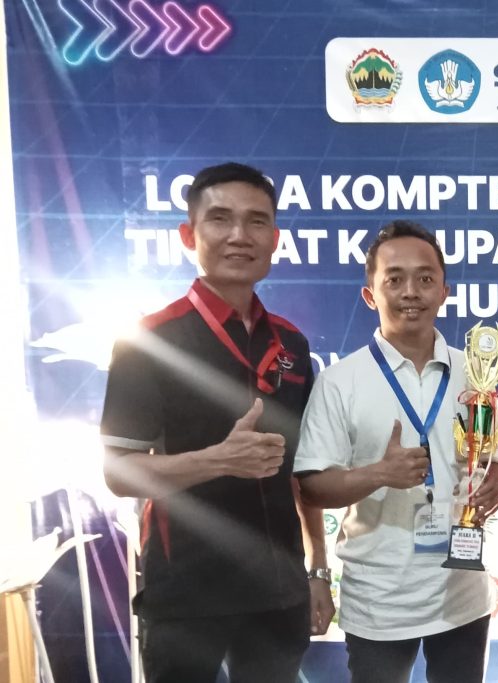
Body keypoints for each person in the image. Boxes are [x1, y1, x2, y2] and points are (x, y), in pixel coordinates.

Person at [100, 162, 334, 683]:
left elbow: (304, 471)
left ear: (274, 239)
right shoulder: (148, 341)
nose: (239, 235)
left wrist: (318, 568)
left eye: (256, 221)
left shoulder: (291, 344)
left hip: (278, 591)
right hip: (186, 590)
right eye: (220, 218)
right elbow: (119, 473)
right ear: (189, 234)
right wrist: (217, 460)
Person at [294, 220, 498, 683]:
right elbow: (311, 487)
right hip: (379, 602)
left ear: (444, 291)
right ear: (370, 295)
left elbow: (496, 456)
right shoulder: (340, 381)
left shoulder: (475, 375)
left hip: (462, 595)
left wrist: (492, 486)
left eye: (425, 278)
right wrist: (378, 474)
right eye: (394, 279)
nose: (411, 291)